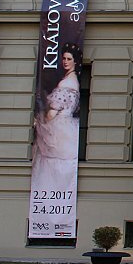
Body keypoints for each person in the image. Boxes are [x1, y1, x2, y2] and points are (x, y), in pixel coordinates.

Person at [31, 44, 81, 192]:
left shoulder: (65, 83)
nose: (65, 61)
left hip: (58, 127)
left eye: (69, 59)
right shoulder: (74, 81)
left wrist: (43, 118)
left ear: (75, 61)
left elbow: (51, 113)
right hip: (68, 126)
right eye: (64, 58)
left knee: (50, 162)